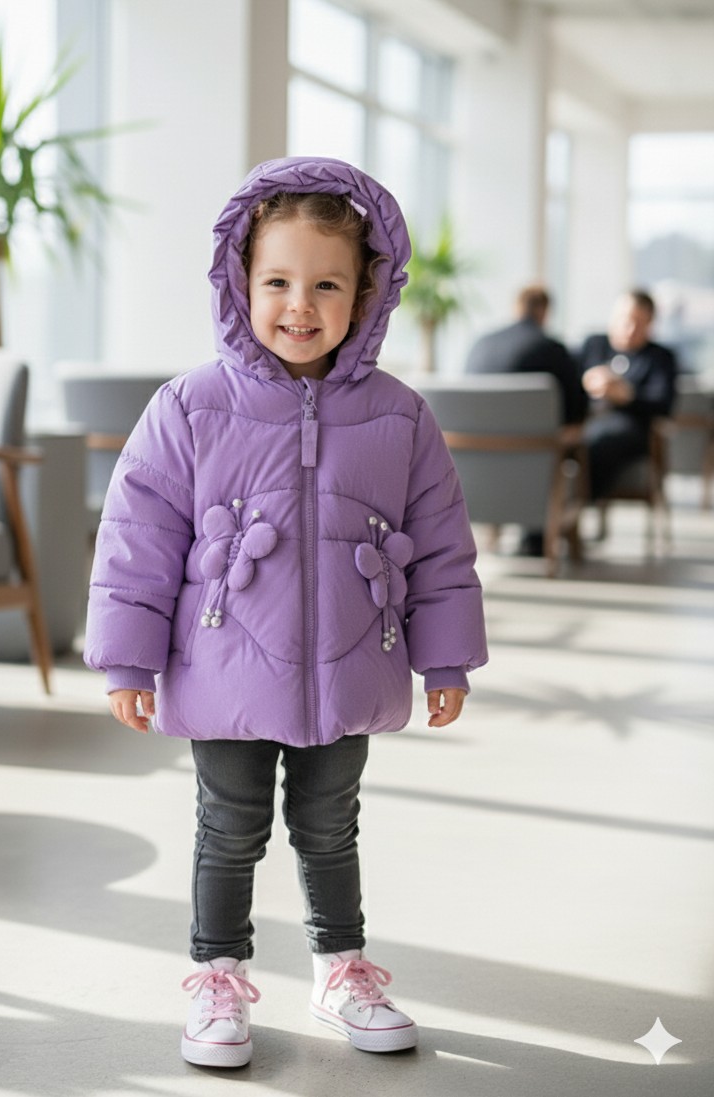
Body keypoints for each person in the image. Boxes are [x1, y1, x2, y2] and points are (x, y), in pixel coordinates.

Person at [83, 157, 488, 1069]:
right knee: (229, 825)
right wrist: (126, 659)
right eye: (277, 281)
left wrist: (447, 659)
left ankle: (340, 967)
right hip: (223, 664)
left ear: (368, 292)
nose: (298, 305)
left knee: (331, 821)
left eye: (326, 284)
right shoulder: (191, 406)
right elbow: (137, 537)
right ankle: (218, 978)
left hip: (353, 662)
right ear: (241, 282)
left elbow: (442, 540)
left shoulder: (400, 417)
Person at [576, 289, 678, 500]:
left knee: (598, 442)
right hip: (585, 421)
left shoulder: (659, 357)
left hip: (630, 429)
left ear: (650, 324)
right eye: (625, 319)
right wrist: (586, 382)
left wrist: (627, 396)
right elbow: (568, 383)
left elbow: (664, 405)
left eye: (639, 323)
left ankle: (577, 504)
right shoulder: (593, 345)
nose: (630, 329)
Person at [465, 284, 588, 425]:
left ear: (516, 307)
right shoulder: (552, 349)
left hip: (475, 442)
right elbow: (575, 411)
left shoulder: (480, 344)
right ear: (544, 310)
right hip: (530, 443)